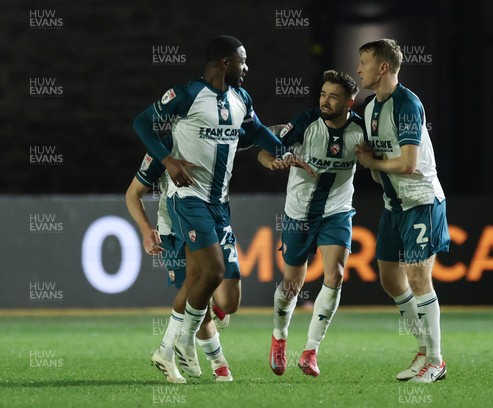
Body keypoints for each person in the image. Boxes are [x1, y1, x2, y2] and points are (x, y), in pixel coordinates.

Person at [132, 35, 285, 383]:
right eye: (242, 61)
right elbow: (142, 122)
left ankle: (171, 346)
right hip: (188, 200)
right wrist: (168, 161)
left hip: (220, 205)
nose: (247, 68)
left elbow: (258, 132)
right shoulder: (187, 95)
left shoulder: (241, 99)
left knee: (223, 295)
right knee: (210, 273)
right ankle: (188, 343)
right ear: (225, 63)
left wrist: (285, 151)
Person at [355, 39, 450, 383]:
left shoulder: (407, 104)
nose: (358, 69)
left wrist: (371, 161)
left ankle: (436, 361)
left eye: (363, 61)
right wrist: (371, 161)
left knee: (417, 277)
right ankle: (424, 349)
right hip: (393, 206)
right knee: (389, 278)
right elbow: (380, 161)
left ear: (383, 67)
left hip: (421, 201)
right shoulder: (369, 107)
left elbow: (409, 164)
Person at [259, 70, 364, 377]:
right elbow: (265, 152)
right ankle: (279, 337)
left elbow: (376, 160)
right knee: (292, 285)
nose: (325, 101)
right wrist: (275, 161)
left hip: (337, 211)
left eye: (333, 96)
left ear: (349, 102)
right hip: (299, 213)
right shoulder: (305, 122)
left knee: (337, 275)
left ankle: (310, 351)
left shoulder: (360, 130)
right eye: (322, 94)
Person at [125, 132, 249, 383]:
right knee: (195, 293)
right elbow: (132, 193)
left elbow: (250, 134)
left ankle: (169, 348)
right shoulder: (164, 149)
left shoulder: (218, 135)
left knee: (228, 302)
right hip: (174, 231)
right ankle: (218, 364)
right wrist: (146, 228)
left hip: (215, 222)